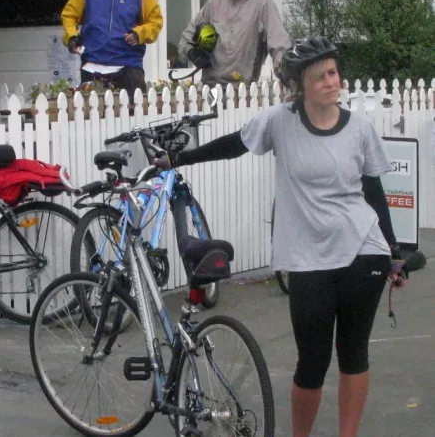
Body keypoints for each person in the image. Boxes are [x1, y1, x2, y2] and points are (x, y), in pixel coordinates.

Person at [154, 36, 403, 437]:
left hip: (363, 253)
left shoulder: (359, 128)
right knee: (312, 362)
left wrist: (393, 253)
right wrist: (178, 158)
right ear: (298, 85)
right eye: (319, 76)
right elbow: (234, 144)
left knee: (354, 355)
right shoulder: (279, 122)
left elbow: (373, 191)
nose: (331, 81)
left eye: (334, 72)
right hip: (307, 258)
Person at [61, 0, 163, 99]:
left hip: (129, 67)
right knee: (93, 121)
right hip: (93, 65)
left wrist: (140, 33)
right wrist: (72, 36)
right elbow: (69, 14)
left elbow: (156, 21)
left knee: (135, 120)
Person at [177, 0, 290, 88]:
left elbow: (279, 43)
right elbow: (187, 36)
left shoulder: (263, 4)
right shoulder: (214, 3)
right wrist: (192, 53)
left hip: (243, 90)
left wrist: (288, 74)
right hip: (209, 88)